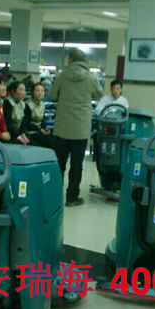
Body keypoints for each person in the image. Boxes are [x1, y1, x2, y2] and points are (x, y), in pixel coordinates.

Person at [52, 48, 103, 206]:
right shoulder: (91, 77)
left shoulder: (61, 76)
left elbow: (53, 95)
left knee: (59, 163)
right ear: (84, 62)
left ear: (70, 60)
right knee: (77, 164)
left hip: (62, 127)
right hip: (81, 128)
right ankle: (72, 197)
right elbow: (99, 95)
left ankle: (55, 196)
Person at [23, 81, 54, 148]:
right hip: (31, 132)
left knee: (56, 140)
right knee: (51, 142)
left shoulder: (43, 104)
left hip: (39, 131)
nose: (40, 93)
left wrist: (45, 128)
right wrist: (39, 129)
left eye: (42, 91)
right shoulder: (27, 104)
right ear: (32, 92)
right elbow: (26, 123)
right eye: (37, 91)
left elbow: (42, 120)